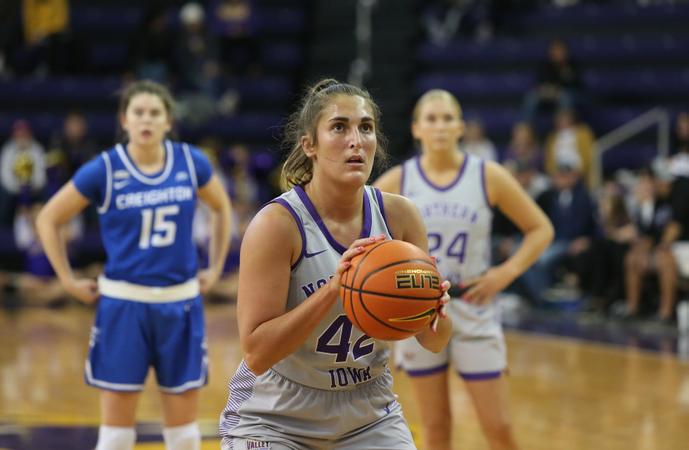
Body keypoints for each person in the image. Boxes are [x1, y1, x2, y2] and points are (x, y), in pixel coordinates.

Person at [218, 79, 452, 450]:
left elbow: (434, 340)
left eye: (366, 127)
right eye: (339, 127)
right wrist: (333, 290)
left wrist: (433, 307)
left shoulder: (401, 216)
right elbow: (257, 352)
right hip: (276, 415)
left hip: (368, 411)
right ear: (309, 144)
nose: (356, 140)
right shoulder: (278, 225)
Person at [36, 80, 233, 450]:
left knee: (185, 435)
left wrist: (217, 266)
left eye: (155, 113)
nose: (146, 119)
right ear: (124, 120)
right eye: (138, 112)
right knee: (114, 437)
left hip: (181, 302)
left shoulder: (191, 162)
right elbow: (48, 218)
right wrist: (66, 280)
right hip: (124, 305)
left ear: (168, 121)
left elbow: (222, 209)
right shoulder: (105, 169)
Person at [375, 89, 553, 450]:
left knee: (499, 426)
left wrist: (505, 273)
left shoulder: (488, 175)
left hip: (473, 304)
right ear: (416, 129)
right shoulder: (398, 181)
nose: (439, 126)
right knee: (435, 428)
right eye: (431, 119)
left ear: (460, 127)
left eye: (447, 118)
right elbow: (356, 229)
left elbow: (541, 229)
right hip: (421, 311)